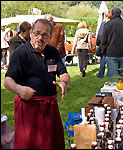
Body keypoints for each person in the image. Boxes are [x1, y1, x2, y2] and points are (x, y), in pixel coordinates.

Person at [4, 19, 70, 149]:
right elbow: (7, 81)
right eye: (37, 33)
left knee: (52, 143)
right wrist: (19, 89)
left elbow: (63, 73)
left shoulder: (53, 52)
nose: (40, 38)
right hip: (28, 109)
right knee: (28, 144)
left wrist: (64, 82)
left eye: (45, 35)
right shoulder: (20, 53)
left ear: (50, 37)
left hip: (50, 108)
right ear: (30, 33)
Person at [100, 7, 123, 78]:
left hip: (111, 52)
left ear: (112, 14)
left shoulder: (107, 25)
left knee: (113, 77)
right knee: (122, 77)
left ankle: (113, 88)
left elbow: (104, 40)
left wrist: (103, 51)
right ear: (120, 14)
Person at [96, 10, 112, 78]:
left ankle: (101, 73)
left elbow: (100, 34)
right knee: (110, 60)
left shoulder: (103, 23)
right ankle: (109, 74)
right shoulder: (112, 24)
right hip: (110, 44)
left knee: (103, 59)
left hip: (103, 44)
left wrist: (98, 43)